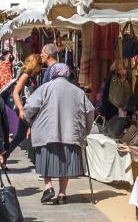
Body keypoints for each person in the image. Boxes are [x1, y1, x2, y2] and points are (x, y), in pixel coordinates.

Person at [24, 63, 94, 205]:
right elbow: (90, 111)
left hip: (47, 133)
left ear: (53, 73)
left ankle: (48, 187)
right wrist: (85, 130)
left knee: (46, 160)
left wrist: (29, 120)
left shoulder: (45, 88)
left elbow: (30, 107)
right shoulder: (78, 91)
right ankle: (62, 193)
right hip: (70, 133)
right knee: (66, 163)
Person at [7, 54, 42, 160]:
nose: (40, 67)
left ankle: (4, 155)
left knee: (21, 135)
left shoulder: (29, 75)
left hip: (27, 109)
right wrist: (21, 109)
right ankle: (4, 155)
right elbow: (15, 92)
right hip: (24, 109)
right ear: (34, 64)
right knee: (21, 135)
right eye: (39, 64)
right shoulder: (25, 75)